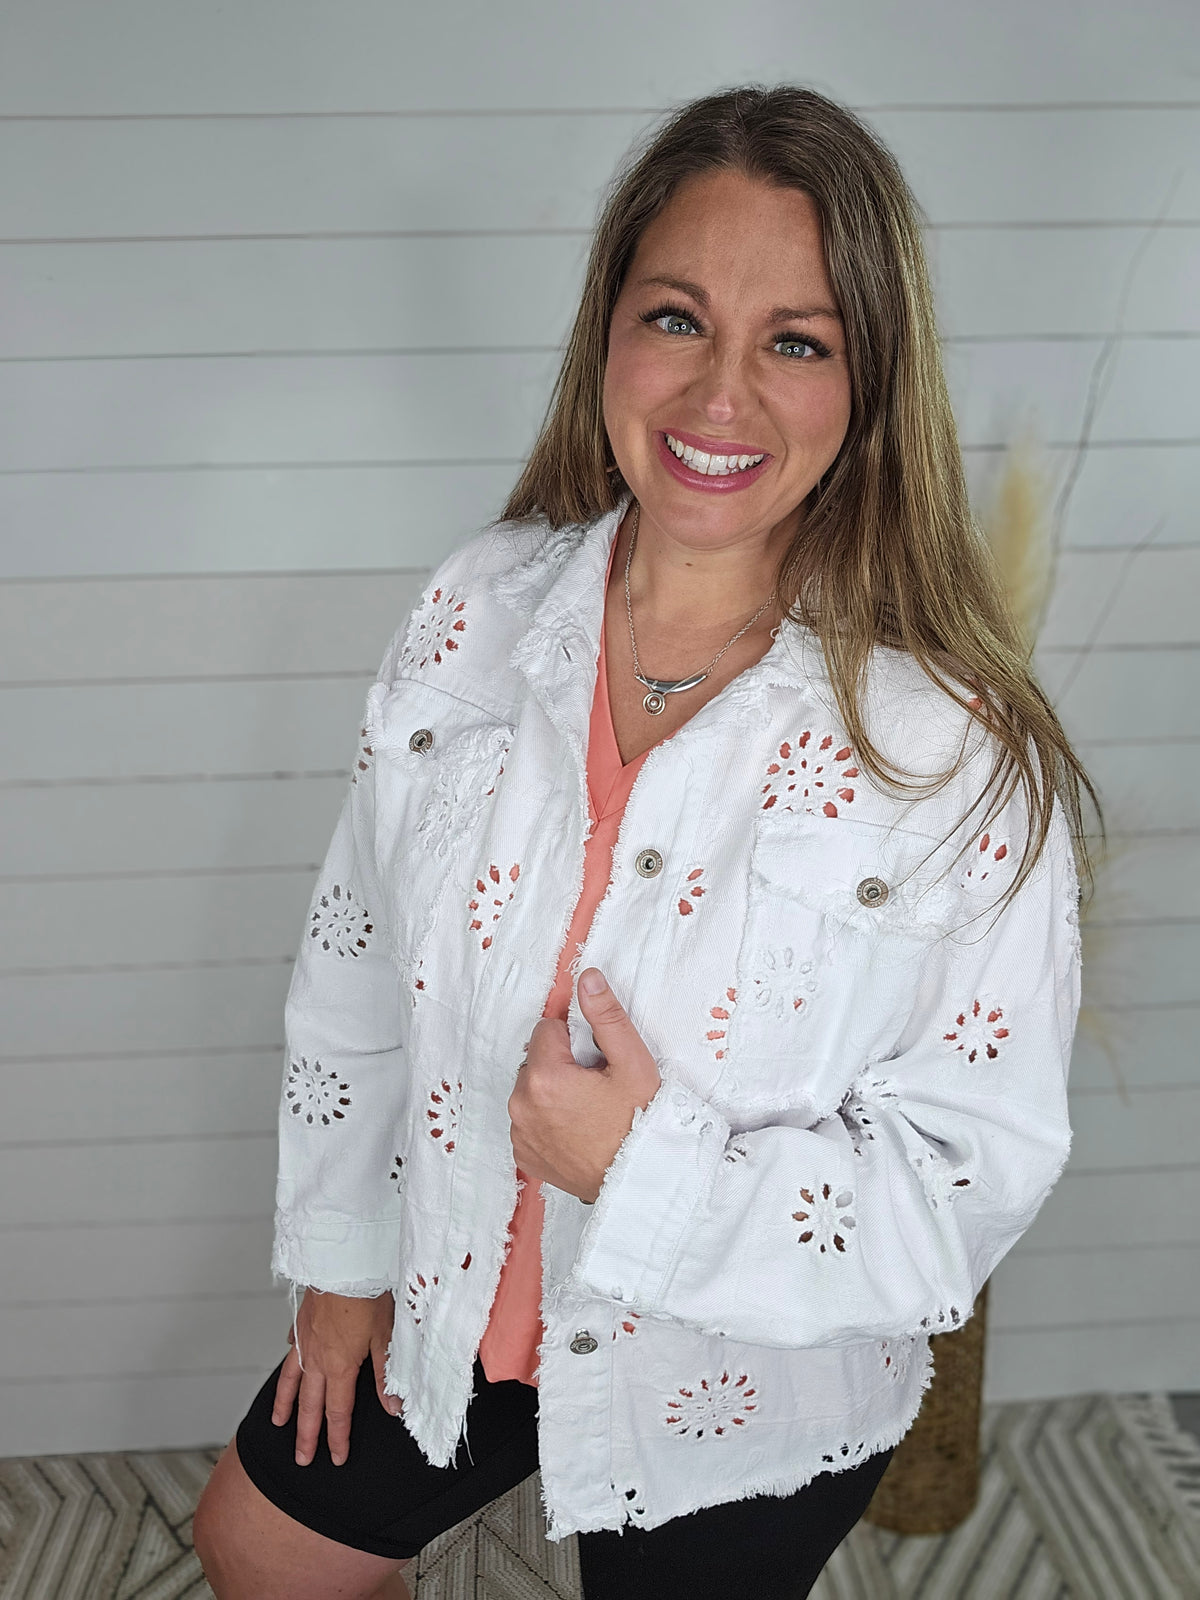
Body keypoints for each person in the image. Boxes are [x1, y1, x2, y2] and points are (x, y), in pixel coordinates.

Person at [193, 83, 1095, 1600]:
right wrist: (341, 1263)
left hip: (737, 1386)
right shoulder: (476, 613)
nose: (720, 395)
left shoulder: (958, 756)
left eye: (797, 342)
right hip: (459, 1281)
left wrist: (645, 1172)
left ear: (871, 386)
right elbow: (353, 971)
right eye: (678, 318)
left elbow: (961, 1187)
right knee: (262, 1547)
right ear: (609, 334)